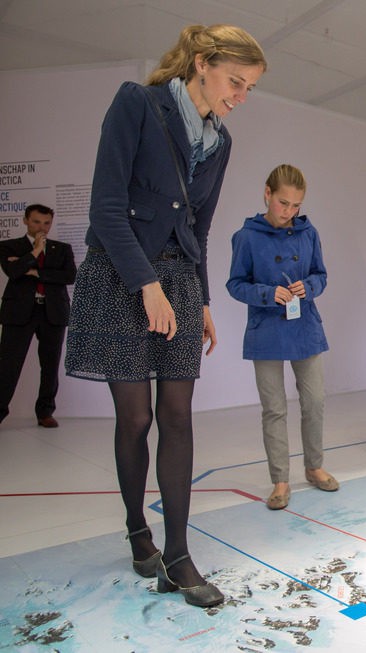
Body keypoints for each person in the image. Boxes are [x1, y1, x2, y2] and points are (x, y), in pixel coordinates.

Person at [64, 24, 266, 608]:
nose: (240, 97)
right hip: (121, 275)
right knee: (134, 418)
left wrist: (198, 298)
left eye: (249, 88)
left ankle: (176, 556)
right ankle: (138, 532)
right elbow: (106, 206)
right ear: (202, 63)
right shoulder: (138, 104)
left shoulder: (221, 143)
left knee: (176, 415)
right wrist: (146, 285)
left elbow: (198, 229)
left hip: (176, 280)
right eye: (236, 81)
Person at [227, 164, 338, 511]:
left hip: (305, 326)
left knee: (315, 401)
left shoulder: (309, 233)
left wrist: (310, 286)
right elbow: (235, 284)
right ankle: (280, 480)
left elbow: (321, 274)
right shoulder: (246, 236)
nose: (289, 212)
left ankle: (314, 466)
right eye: (283, 203)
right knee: (274, 409)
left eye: (296, 206)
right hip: (266, 330)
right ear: (267, 194)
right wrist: (265, 294)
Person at [0, 204, 76, 428]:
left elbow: (69, 276)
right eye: (36, 222)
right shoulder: (8, 246)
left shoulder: (62, 249)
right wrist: (34, 252)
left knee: (51, 365)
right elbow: (13, 272)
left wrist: (34, 271)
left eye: (46, 223)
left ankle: (45, 412)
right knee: (8, 365)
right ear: (25, 221)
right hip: (19, 313)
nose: (42, 227)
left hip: (52, 312)